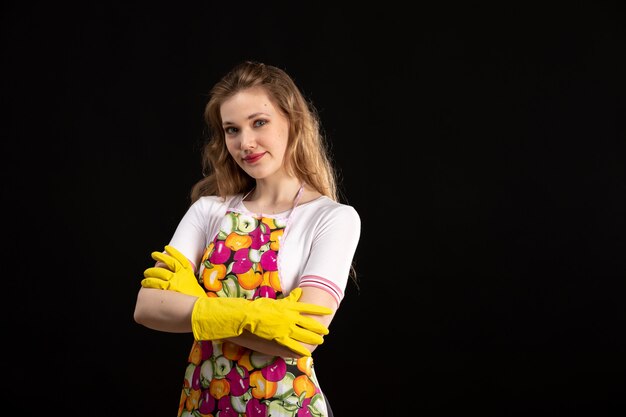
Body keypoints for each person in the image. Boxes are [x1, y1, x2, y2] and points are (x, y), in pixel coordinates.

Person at [133, 61, 361, 417]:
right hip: (204, 404)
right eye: (232, 129)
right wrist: (259, 318)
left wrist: (195, 303)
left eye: (259, 122)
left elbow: (301, 337)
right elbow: (147, 307)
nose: (245, 143)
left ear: (293, 120)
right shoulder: (209, 211)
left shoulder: (332, 219)